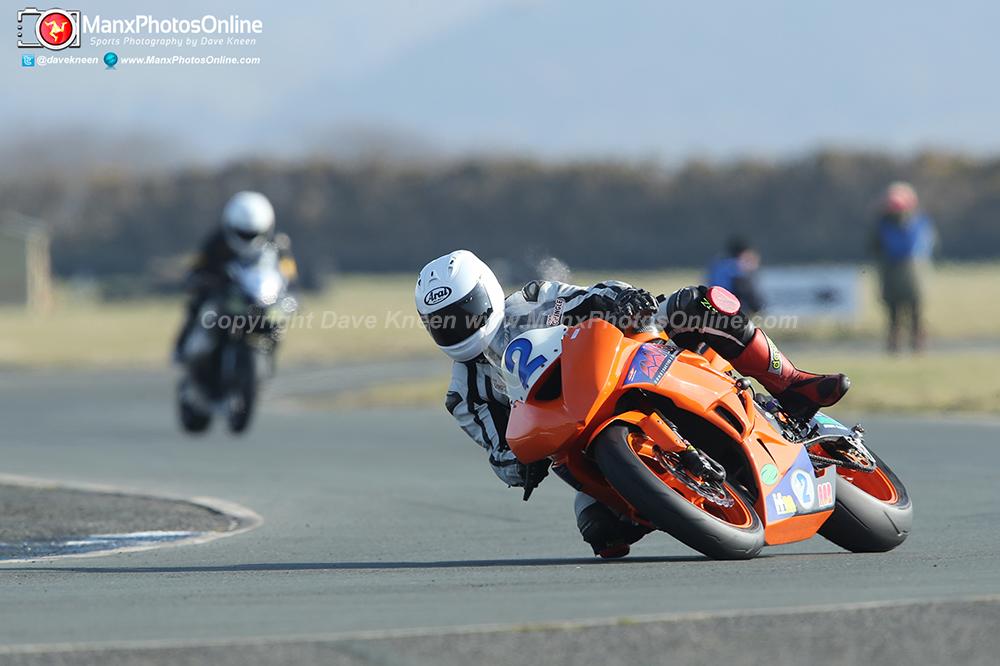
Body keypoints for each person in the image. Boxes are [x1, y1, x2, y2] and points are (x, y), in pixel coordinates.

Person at [414, 250, 850, 558]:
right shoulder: (465, 394)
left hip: (628, 361)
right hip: (578, 439)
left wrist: (620, 299)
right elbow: (499, 454)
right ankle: (660, 499)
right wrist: (518, 465)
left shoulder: (532, 299)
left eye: (465, 310)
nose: (458, 326)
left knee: (699, 303)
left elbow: (590, 295)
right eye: (443, 323)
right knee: (602, 535)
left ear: (487, 292)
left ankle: (790, 381)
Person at [173, 191, 298, 363]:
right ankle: (184, 346)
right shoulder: (217, 242)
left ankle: (267, 351)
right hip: (227, 295)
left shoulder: (279, 244)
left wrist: (289, 297)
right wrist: (201, 280)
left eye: (253, 234)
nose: (247, 239)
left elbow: (289, 275)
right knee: (199, 305)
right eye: (243, 233)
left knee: (278, 318)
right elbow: (198, 268)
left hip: (259, 301)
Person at [872, 182, 935, 352]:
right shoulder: (917, 222)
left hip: (908, 275)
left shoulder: (911, 223)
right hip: (902, 276)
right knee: (901, 315)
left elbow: (877, 247)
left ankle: (911, 346)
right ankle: (903, 347)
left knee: (909, 314)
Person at [705, 236, 764, 316]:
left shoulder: (717, 263)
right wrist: (757, 308)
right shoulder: (735, 265)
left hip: (713, 299)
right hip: (726, 301)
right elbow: (745, 291)